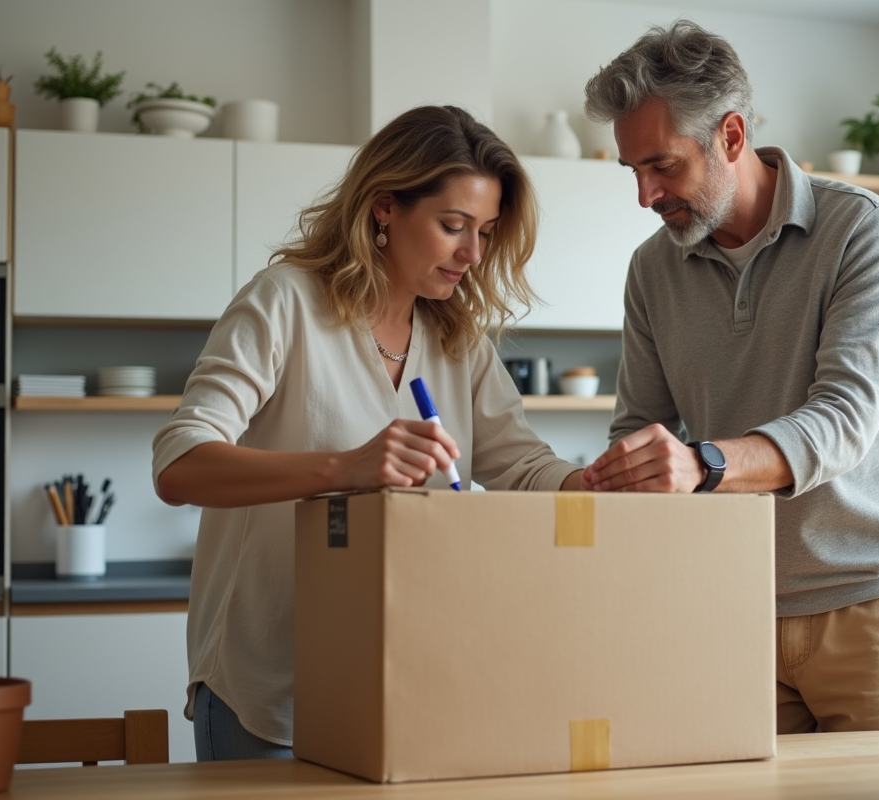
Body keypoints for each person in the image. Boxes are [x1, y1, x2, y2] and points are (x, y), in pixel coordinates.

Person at [152, 105, 584, 761]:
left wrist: (596, 481)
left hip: (409, 681)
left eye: (487, 232)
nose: (473, 254)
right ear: (385, 208)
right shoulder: (285, 303)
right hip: (268, 691)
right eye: (453, 226)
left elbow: (523, 468)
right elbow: (179, 464)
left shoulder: (458, 340)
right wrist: (345, 468)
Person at [580, 20, 879, 733]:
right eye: (633, 172)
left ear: (732, 137)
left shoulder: (862, 230)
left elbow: (842, 420)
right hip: (731, 604)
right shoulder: (652, 270)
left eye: (663, 166)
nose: (645, 196)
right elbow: (638, 429)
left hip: (868, 602)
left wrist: (701, 464)